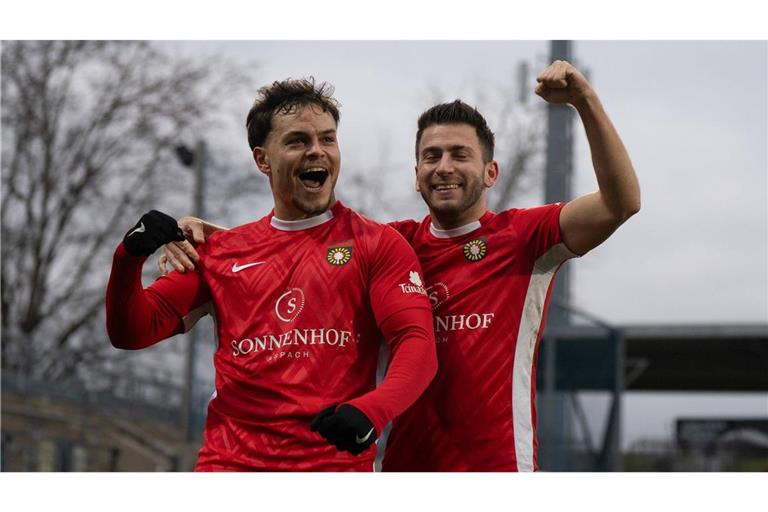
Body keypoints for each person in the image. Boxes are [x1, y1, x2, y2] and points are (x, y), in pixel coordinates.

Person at [161, 60, 640, 471]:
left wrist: (585, 101)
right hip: (401, 466)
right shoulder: (390, 244)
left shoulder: (524, 237)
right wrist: (213, 237)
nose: (444, 166)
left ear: (491, 172)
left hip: (495, 468)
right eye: (431, 156)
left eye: (460, 155)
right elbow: (292, 246)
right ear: (416, 176)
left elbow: (621, 203)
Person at [105, 78, 437, 471]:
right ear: (263, 159)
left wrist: (372, 410)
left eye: (327, 140)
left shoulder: (375, 244)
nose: (317, 151)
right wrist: (128, 257)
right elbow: (133, 331)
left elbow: (416, 342)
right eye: (298, 141)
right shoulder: (221, 253)